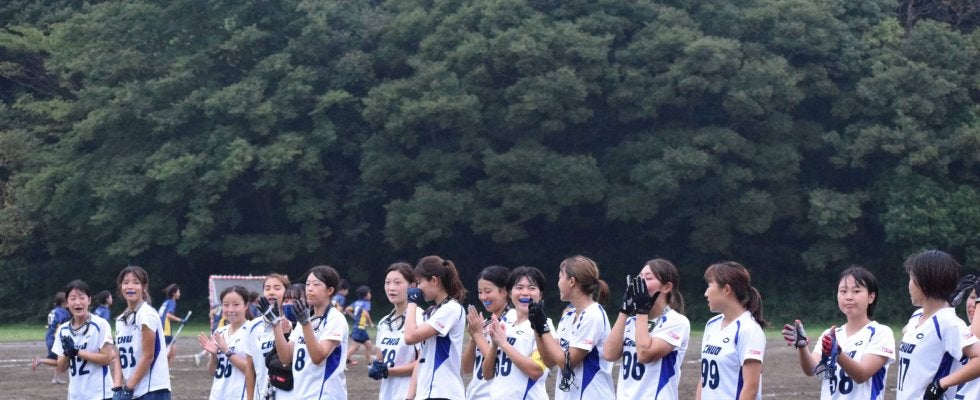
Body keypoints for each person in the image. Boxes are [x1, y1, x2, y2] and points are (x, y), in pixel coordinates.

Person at [782, 265, 895, 400]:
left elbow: (861, 375)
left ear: (871, 297)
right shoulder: (830, 334)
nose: (848, 297)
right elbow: (812, 369)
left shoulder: (880, 333)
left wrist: (837, 353)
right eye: (843, 291)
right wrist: (802, 346)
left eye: (856, 291)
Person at [896, 250, 980, 400]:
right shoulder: (917, 315)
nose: (908, 285)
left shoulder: (947, 322)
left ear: (924, 283)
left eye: (911, 278)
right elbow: (911, 334)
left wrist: (941, 384)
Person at [602, 258, 690, 400]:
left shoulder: (677, 322)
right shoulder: (631, 322)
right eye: (640, 277)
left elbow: (644, 354)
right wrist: (624, 311)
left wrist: (642, 310)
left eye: (648, 278)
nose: (640, 283)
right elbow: (609, 354)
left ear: (666, 287)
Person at [532, 255, 615, 400]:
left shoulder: (592, 315)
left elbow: (566, 363)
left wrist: (544, 327)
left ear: (571, 281)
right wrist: (537, 327)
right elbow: (549, 360)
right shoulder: (568, 316)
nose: (558, 283)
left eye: (560, 277)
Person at [271, 265, 348, 400]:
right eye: (307, 284)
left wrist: (305, 323)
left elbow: (317, 357)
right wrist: (275, 324)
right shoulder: (306, 318)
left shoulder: (335, 319)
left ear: (330, 290)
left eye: (316, 284)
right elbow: (285, 358)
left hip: (324, 395)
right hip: (301, 394)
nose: (310, 289)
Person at [696, 261, 767, 400]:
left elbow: (751, 388)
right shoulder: (712, 324)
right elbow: (704, 378)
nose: (705, 293)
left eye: (709, 285)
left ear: (726, 290)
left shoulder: (748, 329)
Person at [482, 266, 554, 400]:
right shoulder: (504, 323)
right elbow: (487, 375)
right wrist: (495, 344)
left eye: (532, 288)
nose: (525, 293)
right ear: (510, 293)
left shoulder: (545, 325)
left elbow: (536, 370)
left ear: (540, 294)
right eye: (519, 287)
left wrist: (504, 344)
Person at [404, 255, 467, 400]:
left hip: (443, 392)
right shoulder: (433, 311)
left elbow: (409, 337)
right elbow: (422, 358)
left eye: (420, 282)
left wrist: (412, 302)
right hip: (427, 392)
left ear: (434, 280)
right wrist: (410, 397)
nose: (418, 288)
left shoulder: (451, 308)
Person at [112, 265, 171, 399]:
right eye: (126, 282)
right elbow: (119, 356)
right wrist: (117, 387)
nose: (130, 287)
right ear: (121, 287)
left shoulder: (146, 314)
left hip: (152, 389)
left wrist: (128, 387)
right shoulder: (120, 319)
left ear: (144, 287)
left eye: (136, 282)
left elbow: (148, 356)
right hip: (133, 390)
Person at [51, 280, 115, 399]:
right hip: (75, 395)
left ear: (89, 300)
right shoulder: (63, 330)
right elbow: (62, 367)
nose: (78, 302)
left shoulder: (100, 324)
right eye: (73, 298)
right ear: (67, 302)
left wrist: (77, 351)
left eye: (82, 297)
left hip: (100, 395)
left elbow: (107, 359)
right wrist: (67, 353)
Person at [368, 262, 422, 400]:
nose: (391, 288)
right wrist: (376, 367)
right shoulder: (384, 323)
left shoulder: (420, 318)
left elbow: (423, 362)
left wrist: (389, 371)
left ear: (412, 286)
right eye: (387, 283)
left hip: (411, 394)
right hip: (387, 394)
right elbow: (380, 359)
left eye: (397, 283)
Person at [464, 265, 515, 400]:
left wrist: (478, 335)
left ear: (504, 291)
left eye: (487, 291)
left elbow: (496, 362)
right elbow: (467, 369)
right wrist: (473, 338)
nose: (483, 297)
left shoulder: (513, 321)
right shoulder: (484, 324)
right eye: (480, 292)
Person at [198, 285, 254, 400]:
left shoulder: (253, 331)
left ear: (246, 306)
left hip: (239, 396)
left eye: (236, 304)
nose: (230, 310)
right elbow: (212, 371)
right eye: (226, 305)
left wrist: (228, 352)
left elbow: (252, 370)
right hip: (217, 395)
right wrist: (214, 355)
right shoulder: (219, 332)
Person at [246, 273, 289, 400]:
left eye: (277, 288)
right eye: (267, 288)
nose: (271, 292)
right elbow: (250, 367)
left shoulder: (294, 323)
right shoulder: (253, 326)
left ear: (287, 292)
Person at [33, 291, 70, 384]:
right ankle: (40, 360)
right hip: (55, 338)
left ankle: (56, 378)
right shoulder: (62, 312)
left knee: (59, 358)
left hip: (50, 336)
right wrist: (60, 338)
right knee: (62, 361)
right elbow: (59, 325)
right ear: (64, 302)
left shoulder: (54, 310)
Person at [346, 285, 376, 366]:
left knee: (368, 345)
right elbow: (365, 313)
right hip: (360, 328)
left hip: (360, 327)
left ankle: (369, 362)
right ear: (366, 295)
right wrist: (370, 323)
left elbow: (347, 309)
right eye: (369, 293)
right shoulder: (366, 303)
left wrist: (354, 317)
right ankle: (344, 360)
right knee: (355, 346)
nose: (370, 294)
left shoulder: (357, 302)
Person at [159, 283, 184, 365]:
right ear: (174, 293)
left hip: (161, 329)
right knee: (172, 353)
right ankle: (164, 370)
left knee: (170, 351)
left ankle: (165, 370)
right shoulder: (172, 302)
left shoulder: (166, 302)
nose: (179, 294)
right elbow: (168, 315)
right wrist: (180, 320)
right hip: (166, 330)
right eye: (178, 292)